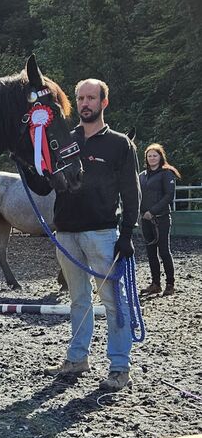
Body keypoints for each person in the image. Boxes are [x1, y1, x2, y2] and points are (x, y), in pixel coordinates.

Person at [22, 78, 140, 391]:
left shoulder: (119, 144)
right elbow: (45, 185)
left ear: (104, 102)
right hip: (67, 234)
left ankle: (119, 366)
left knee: (114, 302)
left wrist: (127, 234)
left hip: (102, 234)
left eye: (91, 98)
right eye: (81, 98)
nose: (85, 103)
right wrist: (26, 164)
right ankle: (77, 358)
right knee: (78, 300)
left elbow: (132, 193)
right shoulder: (64, 138)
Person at [138, 144, 180, 297]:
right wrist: (141, 212)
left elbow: (169, 196)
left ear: (160, 156)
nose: (152, 158)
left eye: (155, 155)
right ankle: (155, 283)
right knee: (150, 252)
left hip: (161, 218)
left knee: (164, 251)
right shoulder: (142, 176)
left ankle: (170, 284)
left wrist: (152, 211)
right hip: (145, 219)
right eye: (149, 155)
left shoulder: (166, 174)